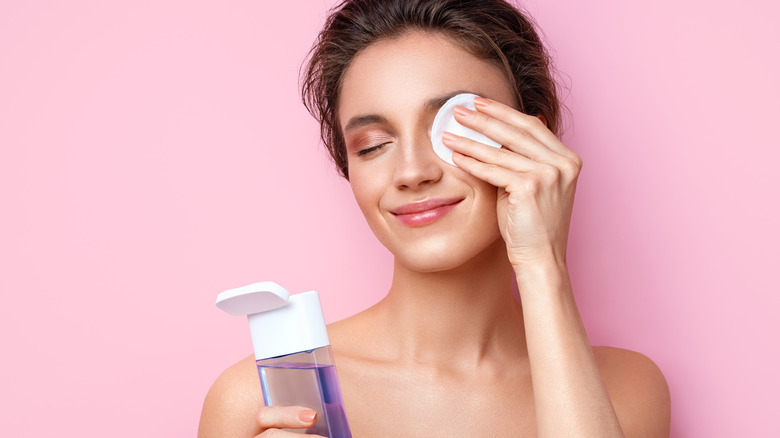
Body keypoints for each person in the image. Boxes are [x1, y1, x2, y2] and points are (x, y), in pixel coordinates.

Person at [197, 0, 671, 436]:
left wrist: (543, 263)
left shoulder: (624, 388)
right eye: (373, 146)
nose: (410, 172)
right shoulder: (260, 402)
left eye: (453, 127)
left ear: (532, 140)